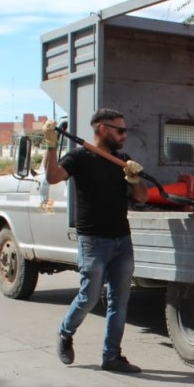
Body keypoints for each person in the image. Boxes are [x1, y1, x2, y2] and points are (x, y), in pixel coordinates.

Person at [43, 109, 148, 373]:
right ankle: (65, 333)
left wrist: (135, 180)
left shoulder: (122, 161)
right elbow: (53, 176)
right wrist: (51, 146)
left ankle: (111, 357)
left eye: (125, 131)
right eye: (119, 130)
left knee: (120, 300)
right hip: (93, 240)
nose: (124, 135)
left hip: (121, 239)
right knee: (89, 296)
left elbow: (142, 198)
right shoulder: (79, 157)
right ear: (102, 129)